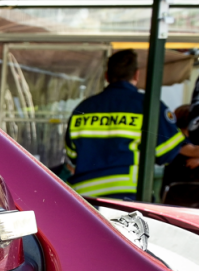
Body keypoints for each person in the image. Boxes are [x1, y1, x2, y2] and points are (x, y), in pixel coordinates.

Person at [64, 49, 183, 200]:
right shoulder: (148, 106)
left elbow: (73, 155)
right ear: (136, 75)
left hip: (85, 199)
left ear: (107, 76)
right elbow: (168, 152)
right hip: (128, 199)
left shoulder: (82, 108)